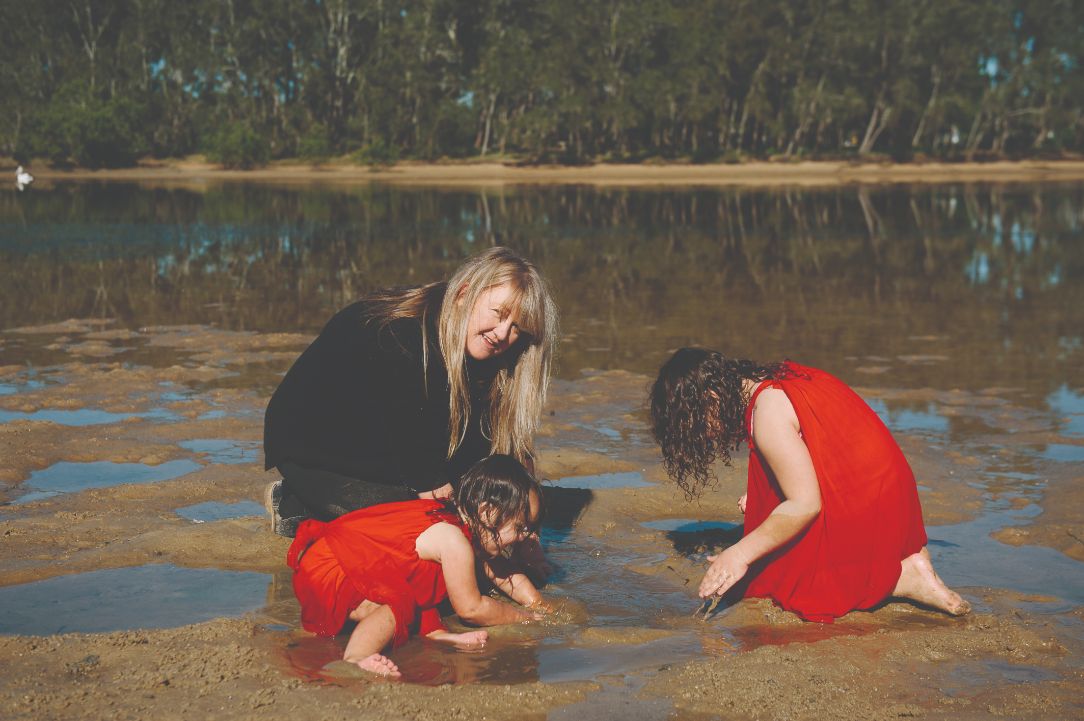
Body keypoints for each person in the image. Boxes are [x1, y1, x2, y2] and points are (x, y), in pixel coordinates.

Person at [649, 349, 970, 622]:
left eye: (695, 425)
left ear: (712, 397)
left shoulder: (767, 415)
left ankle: (898, 577)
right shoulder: (781, 377)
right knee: (767, 517)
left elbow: (805, 505)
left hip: (870, 507)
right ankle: (911, 556)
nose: (706, 437)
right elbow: (825, 448)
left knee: (781, 582)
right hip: (894, 492)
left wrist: (738, 555)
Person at [264, 247, 558, 538]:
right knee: (427, 530)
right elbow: (427, 476)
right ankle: (295, 504)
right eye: (499, 313)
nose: (503, 334)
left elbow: (493, 449)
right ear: (464, 294)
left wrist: (521, 515)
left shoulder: (483, 349)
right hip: (316, 445)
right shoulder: (405, 339)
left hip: (383, 436)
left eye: (517, 327)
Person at [287, 454, 547, 678]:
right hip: (335, 565)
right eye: (520, 527)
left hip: (358, 562)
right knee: (395, 607)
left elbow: (500, 573)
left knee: (415, 596)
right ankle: (356, 658)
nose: (524, 536)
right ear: (488, 512)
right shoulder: (453, 541)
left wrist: (539, 605)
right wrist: (523, 618)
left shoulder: (470, 528)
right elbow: (471, 608)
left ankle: (436, 636)